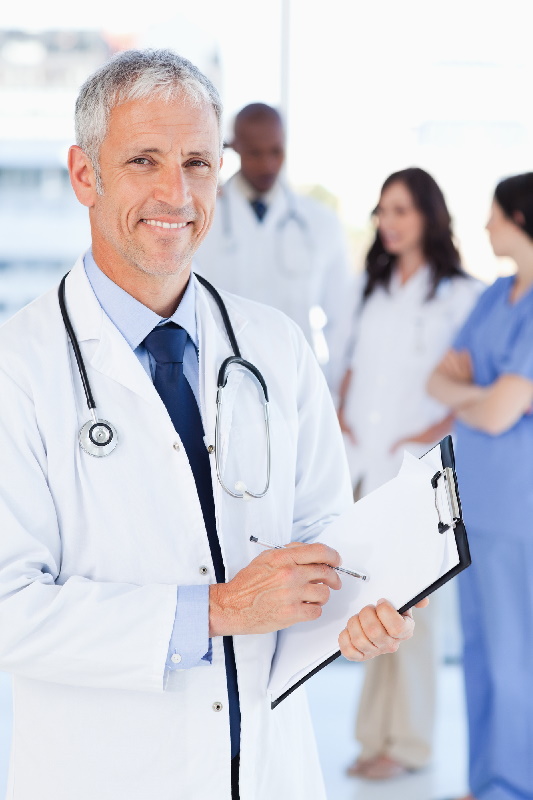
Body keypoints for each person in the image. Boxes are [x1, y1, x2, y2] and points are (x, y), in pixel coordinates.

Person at [0, 50, 426, 800]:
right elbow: (11, 608)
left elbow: (322, 528)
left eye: (198, 162)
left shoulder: (274, 347)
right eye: (144, 160)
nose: (177, 192)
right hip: (104, 774)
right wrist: (220, 611)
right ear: (84, 175)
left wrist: (366, 603)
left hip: (268, 772)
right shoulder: (18, 367)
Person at [338, 168, 482, 780]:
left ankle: (411, 746)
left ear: (428, 215)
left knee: (419, 610)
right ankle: (373, 738)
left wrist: (429, 433)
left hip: (425, 473)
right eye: (382, 211)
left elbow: (469, 384)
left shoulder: (460, 294)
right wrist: (341, 415)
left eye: (400, 210)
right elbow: (345, 361)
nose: (388, 222)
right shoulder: (366, 289)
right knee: (371, 605)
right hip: (366, 464)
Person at [428, 173, 533, 800]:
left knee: (517, 651)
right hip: (477, 501)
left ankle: (514, 785)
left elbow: (495, 412)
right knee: (482, 649)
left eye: (494, 216)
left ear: (521, 220)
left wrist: (481, 399)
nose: (487, 227)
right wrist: (485, 396)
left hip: (521, 504)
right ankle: (484, 780)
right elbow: (439, 381)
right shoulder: (497, 295)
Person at [194, 102, 353, 392]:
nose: (267, 164)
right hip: (223, 385)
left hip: (298, 385)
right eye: (255, 153)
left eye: (276, 152)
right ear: (234, 148)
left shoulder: (320, 223)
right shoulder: (203, 219)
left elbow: (342, 320)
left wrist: (335, 396)